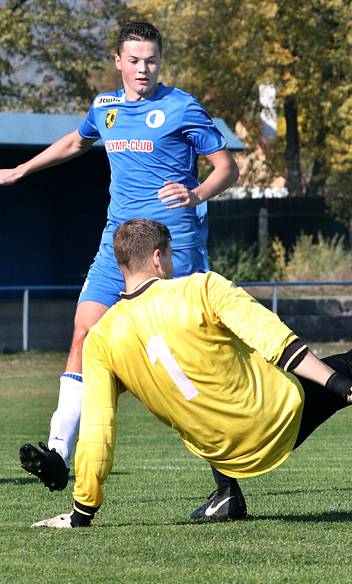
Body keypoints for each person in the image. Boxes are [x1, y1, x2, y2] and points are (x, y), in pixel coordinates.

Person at [30, 219, 352, 528]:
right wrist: (345, 386)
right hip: (277, 419)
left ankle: (226, 494)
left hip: (224, 450)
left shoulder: (100, 341)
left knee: (206, 378)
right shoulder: (201, 286)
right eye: (169, 254)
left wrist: (81, 512)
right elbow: (278, 343)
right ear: (158, 257)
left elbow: (98, 431)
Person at [1, 21, 239, 491]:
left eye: (150, 59)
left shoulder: (181, 106)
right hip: (118, 244)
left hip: (171, 248)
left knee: (184, 360)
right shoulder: (105, 108)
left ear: (160, 61)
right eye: (133, 60)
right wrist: (19, 171)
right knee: (84, 332)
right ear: (118, 62)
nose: (142, 68)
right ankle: (57, 454)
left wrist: (197, 193)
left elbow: (228, 167)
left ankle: (228, 483)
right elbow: (75, 142)